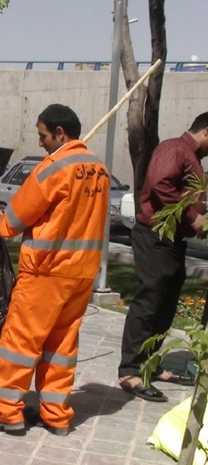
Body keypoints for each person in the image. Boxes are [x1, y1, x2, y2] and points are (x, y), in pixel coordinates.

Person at [0, 104, 110, 437]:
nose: (40, 143)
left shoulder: (53, 168)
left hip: (46, 272)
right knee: (61, 347)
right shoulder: (99, 170)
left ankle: (7, 413)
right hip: (82, 275)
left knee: (20, 342)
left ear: (60, 133)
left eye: (43, 135)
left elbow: (17, 218)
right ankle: (56, 416)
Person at [118, 112, 208, 402]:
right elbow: (160, 185)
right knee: (149, 302)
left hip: (173, 241)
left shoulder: (191, 157)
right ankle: (130, 371)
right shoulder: (174, 149)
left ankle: (148, 363)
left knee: (165, 305)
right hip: (155, 237)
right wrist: (193, 216)